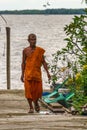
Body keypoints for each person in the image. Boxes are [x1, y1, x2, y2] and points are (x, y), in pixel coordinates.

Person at [21, 33, 51, 113]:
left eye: (34, 39)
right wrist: (22, 74)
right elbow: (23, 63)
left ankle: (36, 102)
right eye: (31, 40)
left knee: (38, 92)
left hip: (37, 74)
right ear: (28, 41)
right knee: (28, 91)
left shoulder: (40, 51)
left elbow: (43, 62)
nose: (33, 41)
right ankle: (31, 107)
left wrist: (47, 72)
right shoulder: (25, 51)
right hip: (28, 74)